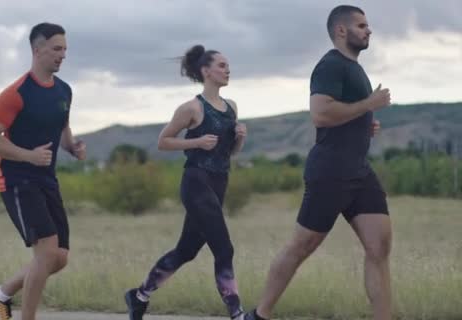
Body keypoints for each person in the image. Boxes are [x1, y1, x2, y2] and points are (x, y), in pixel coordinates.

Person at [244, 5, 392, 320]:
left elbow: (343, 112)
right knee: (302, 246)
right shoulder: (330, 65)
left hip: (358, 170)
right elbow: (321, 114)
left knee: (379, 246)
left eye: (368, 25)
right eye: (362, 25)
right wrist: (369, 104)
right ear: (342, 30)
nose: (369, 31)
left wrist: (365, 122)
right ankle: (259, 314)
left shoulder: (354, 67)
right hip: (330, 170)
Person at [124, 44, 248, 320]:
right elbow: (163, 141)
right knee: (224, 248)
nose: (228, 70)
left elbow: (230, 152)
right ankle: (237, 313)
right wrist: (197, 141)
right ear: (206, 71)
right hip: (196, 182)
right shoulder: (192, 107)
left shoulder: (231, 108)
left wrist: (240, 137)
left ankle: (139, 295)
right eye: (222, 65)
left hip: (219, 182)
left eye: (228, 66)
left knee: (187, 250)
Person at [0, 22, 86, 320]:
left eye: (64, 49)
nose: (62, 55)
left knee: (60, 257)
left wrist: (72, 147)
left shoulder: (64, 90)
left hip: (46, 179)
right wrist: (28, 156)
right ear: (37, 50)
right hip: (16, 180)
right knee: (47, 251)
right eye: (56, 49)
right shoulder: (15, 93)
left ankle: (0, 295)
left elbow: (62, 127)